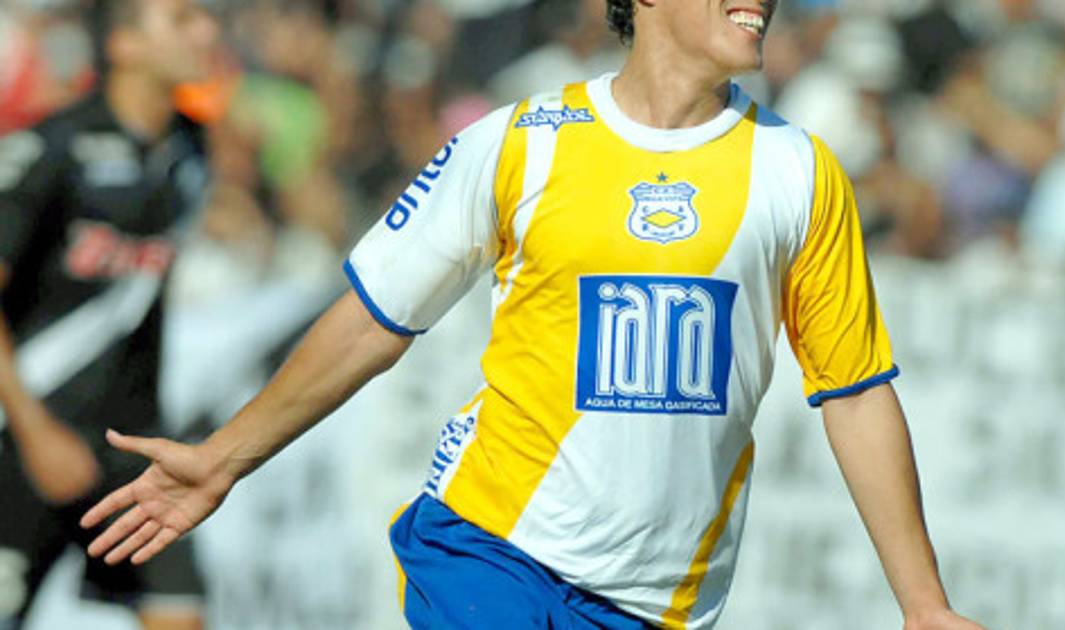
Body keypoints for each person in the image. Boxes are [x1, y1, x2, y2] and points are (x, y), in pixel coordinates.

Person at [82, 1, 986, 628]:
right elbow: (372, 319)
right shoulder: (517, 141)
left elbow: (854, 391)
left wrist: (922, 605)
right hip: (491, 548)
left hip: (661, 600)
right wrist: (222, 459)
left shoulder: (799, 171)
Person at [0, 1, 216, 628]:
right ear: (125, 44)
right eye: (182, 19)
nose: (206, 30)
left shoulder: (191, 148)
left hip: (133, 447)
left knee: (180, 614)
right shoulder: (49, 149)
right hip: (25, 441)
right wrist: (37, 434)